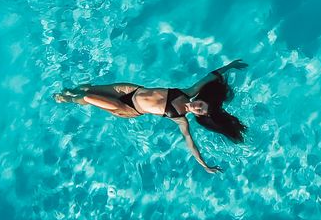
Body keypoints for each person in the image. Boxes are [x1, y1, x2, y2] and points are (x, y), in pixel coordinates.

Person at [54, 60, 248, 174]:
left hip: (127, 108)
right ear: (202, 100)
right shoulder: (188, 92)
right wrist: (229, 66)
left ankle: (66, 99)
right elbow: (209, 76)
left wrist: (204, 165)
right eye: (202, 106)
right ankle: (70, 92)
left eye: (200, 111)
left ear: (199, 115)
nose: (197, 108)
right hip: (130, 89)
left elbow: (190, 143)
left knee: (88, 97)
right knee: (88, 89)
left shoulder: (180, 118)